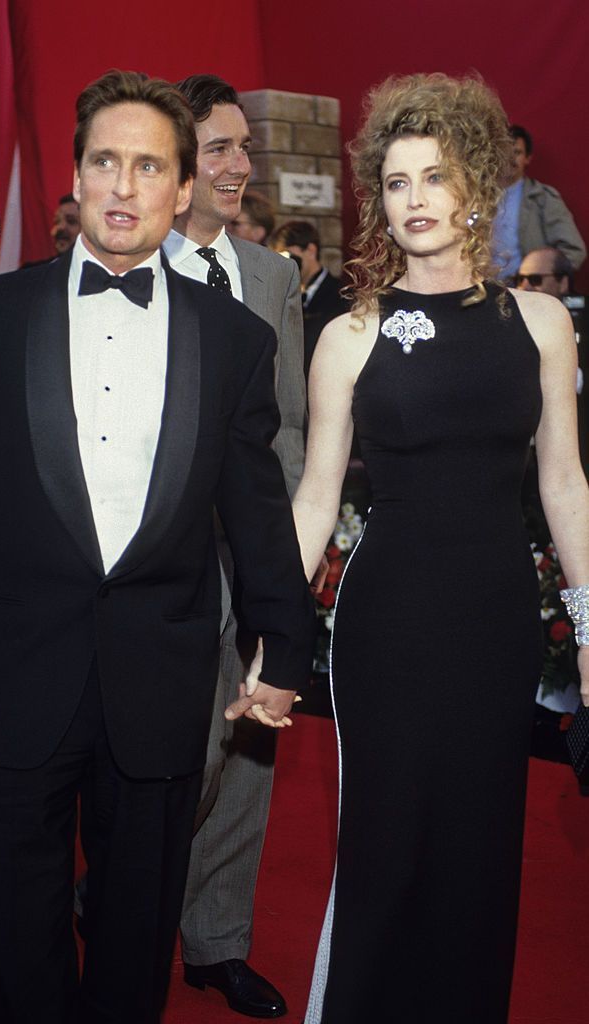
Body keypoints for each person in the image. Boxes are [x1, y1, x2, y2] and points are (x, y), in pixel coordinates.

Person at [0, 70, 315, 1024]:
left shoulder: (235, 337)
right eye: (104, 162)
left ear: (182, 190)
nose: (123, 187)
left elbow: (256, 512)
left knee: (135, 936)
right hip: (9, 676)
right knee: (13, 935)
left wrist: (283, 649)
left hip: (162, 679)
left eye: (148, 167)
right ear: (76, 176)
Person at [292, 73, 589, 1023]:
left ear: (475, 187)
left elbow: (565, 486)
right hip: (388, 626)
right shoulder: (350, 333)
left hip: (497, 621)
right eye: (394, 181)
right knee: (387, 845)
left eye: (433, 176)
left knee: (480, 850)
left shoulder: (540, 324)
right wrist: (272, 629)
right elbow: (315, 493)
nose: (414, 199)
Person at [163, 73, 306, 1018]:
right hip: (166, 564)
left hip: (255, 556)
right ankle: (137, 892)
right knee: (181, 757)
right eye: (218, 148)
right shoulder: (132, 266)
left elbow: (290, 421)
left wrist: (285, 552)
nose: (238, 166)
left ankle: (216, 941)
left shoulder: (275, 277)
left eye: (242, 149)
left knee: (250, 752)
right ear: (178, 163)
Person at [493, 124, 586, 280]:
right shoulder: (473, 197)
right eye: (505, 151)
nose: (510, 158)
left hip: (527, 293)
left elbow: (574, 251)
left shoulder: (543, 198)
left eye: (517, 152)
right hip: (481, 292)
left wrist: (541, 279)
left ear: (528, 158)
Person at [271, 219, 349, 379]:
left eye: (287, 256)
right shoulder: (282, 296)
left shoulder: (343, 296)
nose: (283, 265)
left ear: (311, 250)